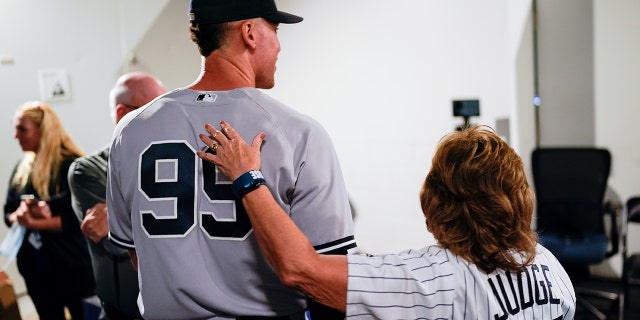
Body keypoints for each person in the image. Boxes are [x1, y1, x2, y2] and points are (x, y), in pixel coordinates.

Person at [106, 1, 356, 319]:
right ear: (249, 32)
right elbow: (328, 275)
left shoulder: (131, 129)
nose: (279, 45)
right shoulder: (297, 132)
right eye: (275, 30)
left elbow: (135, 251)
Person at [197, 122, 577, 319]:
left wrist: (247, 177)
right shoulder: (549, 266)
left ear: (434, 201)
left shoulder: (429, 281)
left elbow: (300, 269)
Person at [68, 72, 167, 320]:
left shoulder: (172, 162)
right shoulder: (89, 169)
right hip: (124, 310)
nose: (168, 119)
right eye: (158, 109)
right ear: (123, 114)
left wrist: (119, 215)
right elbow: (116, 245)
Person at [4, 101, 95, 320]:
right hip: (36, 268)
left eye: (22, 129)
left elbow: (82, 218)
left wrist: (37, 223)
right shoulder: (22, 168)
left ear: (42, 130)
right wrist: (19, 215)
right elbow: (8, 210)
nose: (16, 135)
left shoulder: (72, 165)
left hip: (72, 265)